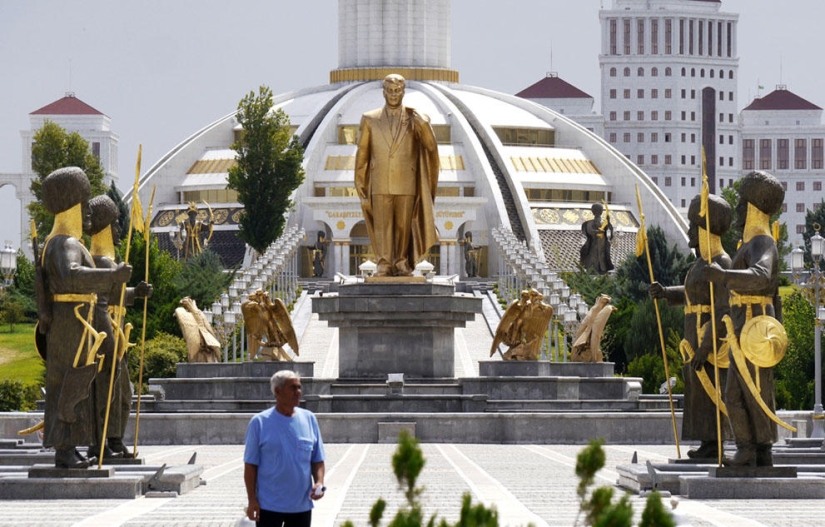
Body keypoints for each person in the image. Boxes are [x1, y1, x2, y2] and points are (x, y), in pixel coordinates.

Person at [38, 167, 132, 468]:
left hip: (76, 321)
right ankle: (64, 449)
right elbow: (71, 275)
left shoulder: (67, 242)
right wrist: (112, 275)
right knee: (69, 384)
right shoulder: (64, 243)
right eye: (84, 201)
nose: (87, 210)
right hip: (70, 321)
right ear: (71, 203)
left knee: (75, 384)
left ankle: (69, 447)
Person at [700, 170, 785, 467]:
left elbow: (762, 277)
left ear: (751, 208)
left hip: (755, 323)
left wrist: (724, 275)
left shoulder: (762, 242)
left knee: (750, 389)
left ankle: (754, 449)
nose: (736, 210)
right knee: (741, 390)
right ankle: (755, 449)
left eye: (740, 205)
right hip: (743, 323)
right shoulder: (747, 245)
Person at [650, 193, 732, 460]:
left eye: (693, 226)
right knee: (697, 393)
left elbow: (722, 309)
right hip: (692, 336)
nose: (688, 231)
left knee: (710, 390)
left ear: (705, 229)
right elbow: (691, 293)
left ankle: (716, 441)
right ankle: (708, 441)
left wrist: (706, 345)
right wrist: (666, 293)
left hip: (709, 342)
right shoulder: (700, 263)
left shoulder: (722, 264)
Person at [85, 195, 152, 459]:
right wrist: (109, 344)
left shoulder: (108, 264)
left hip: (117, 338)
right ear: (103, 227)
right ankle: (100, 443)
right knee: (107, 393)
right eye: (114, 224)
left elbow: (115, 296)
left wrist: (135, 292)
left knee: (123, 393)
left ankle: (115, 440)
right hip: (107, 340)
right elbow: (99, 304)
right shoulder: (100, 262)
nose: (119, 230)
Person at [355, 74, 440, 277]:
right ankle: (384, 263)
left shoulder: (415, 118)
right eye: (390, 91)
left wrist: (424, 126)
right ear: (383, 92)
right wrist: (359, 182)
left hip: (407, 182)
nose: (393, 95)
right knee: (383, 226)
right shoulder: (370, 118)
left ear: (403, 92)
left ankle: (402, 262)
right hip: (380, 182)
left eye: (397, 91)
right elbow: (362, 153)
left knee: (404, 227)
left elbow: (431, 148)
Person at [244, 371, 325, 527]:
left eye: (299, 388)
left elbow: (317, 459)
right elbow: (250, 465)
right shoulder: (259, 423)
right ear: (277, 391)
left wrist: (319, 482)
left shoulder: (309, 419)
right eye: (293, 388)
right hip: (268, 507)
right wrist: (252, 500)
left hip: (301, 507)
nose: (298, 392)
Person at [579, 202, 614, 274]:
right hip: (593, 244)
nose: (598, 212)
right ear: (593, 211)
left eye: (599, 210)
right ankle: (593, 269)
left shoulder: (604, 222)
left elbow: (610, 234)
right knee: (593, 258)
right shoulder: (589, 223)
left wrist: (609, 223)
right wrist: (598, 231)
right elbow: (589, 231)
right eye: (596, 210)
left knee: (602, 258)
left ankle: (602, 269)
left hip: (602, 244)